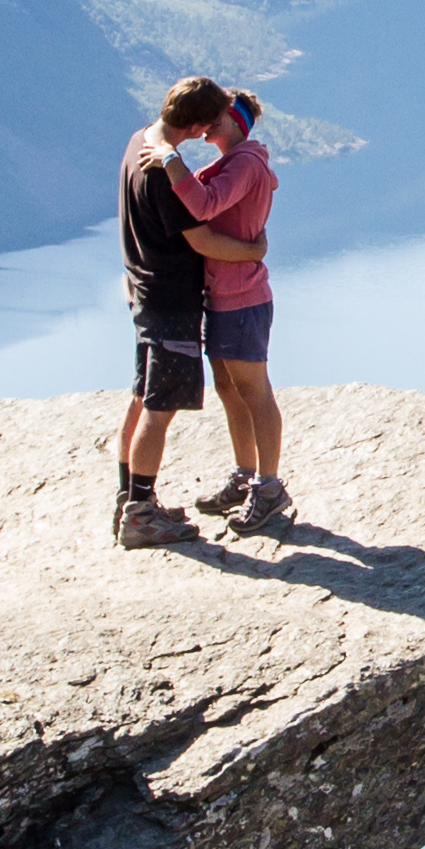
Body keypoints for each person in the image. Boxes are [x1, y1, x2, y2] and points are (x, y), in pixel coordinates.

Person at [112, 78, 259, 545]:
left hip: (143, 291)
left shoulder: (141, 141)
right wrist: (254, 251)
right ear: (196, 126)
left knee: (142, 396)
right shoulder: (160, 171)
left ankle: (130, 497)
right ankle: (139, 514)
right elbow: (203, 240)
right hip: (170, 302)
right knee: (160, 407)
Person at [158, 81, 297, 534]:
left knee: (253, 390)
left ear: (230, 122)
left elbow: (205, 205)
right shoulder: (228, 163)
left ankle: (270, 487)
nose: (206, 121)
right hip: (221, 296)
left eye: (215, 115)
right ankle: (244, 474)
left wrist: (168, 159)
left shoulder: (245, 167)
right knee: (228, 387)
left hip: (242, 299)